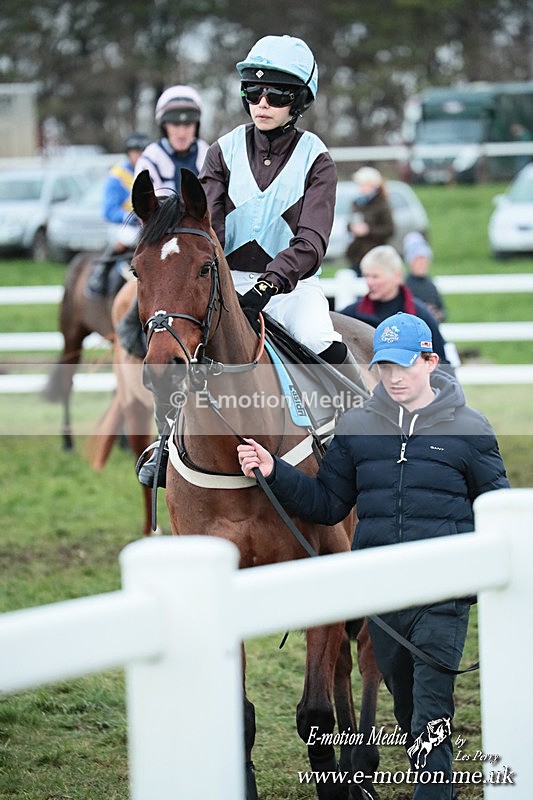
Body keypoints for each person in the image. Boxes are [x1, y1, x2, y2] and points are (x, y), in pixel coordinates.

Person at [237, 311, 509, 799]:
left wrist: (482, 572)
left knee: (431, 716)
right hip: (382, 600)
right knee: (406, 712)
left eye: (405, 366)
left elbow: (497, 509)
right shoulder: (357, 428)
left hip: (441, 598)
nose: (394, 377)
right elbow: (327, 503)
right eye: (384, 367)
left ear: (430, 361)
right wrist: (274, 469)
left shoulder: (471, 429)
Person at [138, 35, 365, 488]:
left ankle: (360, 436)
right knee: (184, 346)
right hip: (225, 283)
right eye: (253, 93)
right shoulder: (220, 152)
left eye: (276, 96)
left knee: (321, 339)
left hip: (293, 287)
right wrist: (219, 280)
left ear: (298, 101)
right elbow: (208, 226)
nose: (262, 103)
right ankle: (167, 444)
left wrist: (268, 287)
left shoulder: (317, 159)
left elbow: (312, 240)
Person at [340, 244, 453, 371]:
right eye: (366, 276)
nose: (369, 282)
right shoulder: (351, 315)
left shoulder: (420, 315)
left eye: (375, 276)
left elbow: (442, 363)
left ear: (397, 276)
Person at [86, 132, 150, 298]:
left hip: (147, 223)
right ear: (128, 153)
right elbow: (108, 210)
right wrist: (130, 217)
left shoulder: (152, 170)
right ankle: (99, 275)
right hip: (124, 224)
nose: (139, 155)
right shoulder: (117, 175)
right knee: (126, 239)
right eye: (135, 151)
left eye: (142, 151)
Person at [134, 84, 209, 195]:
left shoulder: (207, 153)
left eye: (188, 124)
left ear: (196, 126)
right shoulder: (151, 159)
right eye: (175, 124)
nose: (181, 133)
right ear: (164, 126)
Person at [345, 166, 395, 275]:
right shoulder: (356, 202)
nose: (360, 188)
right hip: (356, 255)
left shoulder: (382, 204)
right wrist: (352, 228)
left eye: (363, 184)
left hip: (374, 255)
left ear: (373, 185)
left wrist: (368, 231)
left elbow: (389, 230)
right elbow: (349, 224)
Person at [403, 232, 447, 323]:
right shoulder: (405, 285)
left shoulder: (430, 284)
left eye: (424, 261)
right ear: (410, 262)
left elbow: (442, 309)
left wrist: (437, 314)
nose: (422, 265)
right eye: (418, 261)